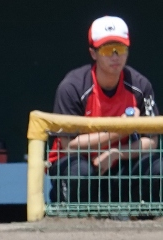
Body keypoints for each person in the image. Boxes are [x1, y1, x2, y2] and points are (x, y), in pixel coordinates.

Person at [49, 16, 160, 207]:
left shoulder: (140, 85)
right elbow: (69, 146)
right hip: (79, 163)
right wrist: (120, 131)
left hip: (121, 162)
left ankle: (141, 216)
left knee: (158, 167)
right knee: (80, 173)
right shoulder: (72, 87)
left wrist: (117, 153)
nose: (115, 56)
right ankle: (74, 218)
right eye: (108, 50)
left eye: (120, 49)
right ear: (93, 53)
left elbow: (152, 141)